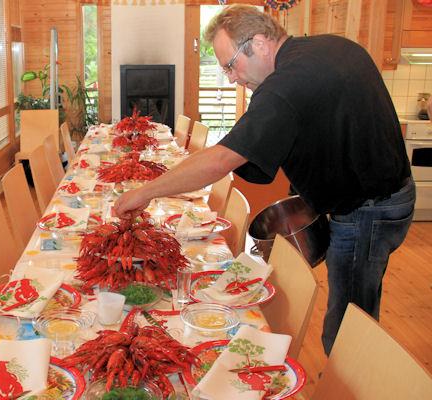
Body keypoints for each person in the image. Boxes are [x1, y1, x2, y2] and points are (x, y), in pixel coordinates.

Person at [114, 5, 415, 355]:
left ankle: (351, 383)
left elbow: (223, 158)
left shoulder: (285, 85)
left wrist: (146, 192)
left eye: (230, 65)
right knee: (351, 308)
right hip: (385, 190)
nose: (230, 78)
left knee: (348, 322)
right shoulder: (328, 47)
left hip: (370, 208)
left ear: (258, 43)